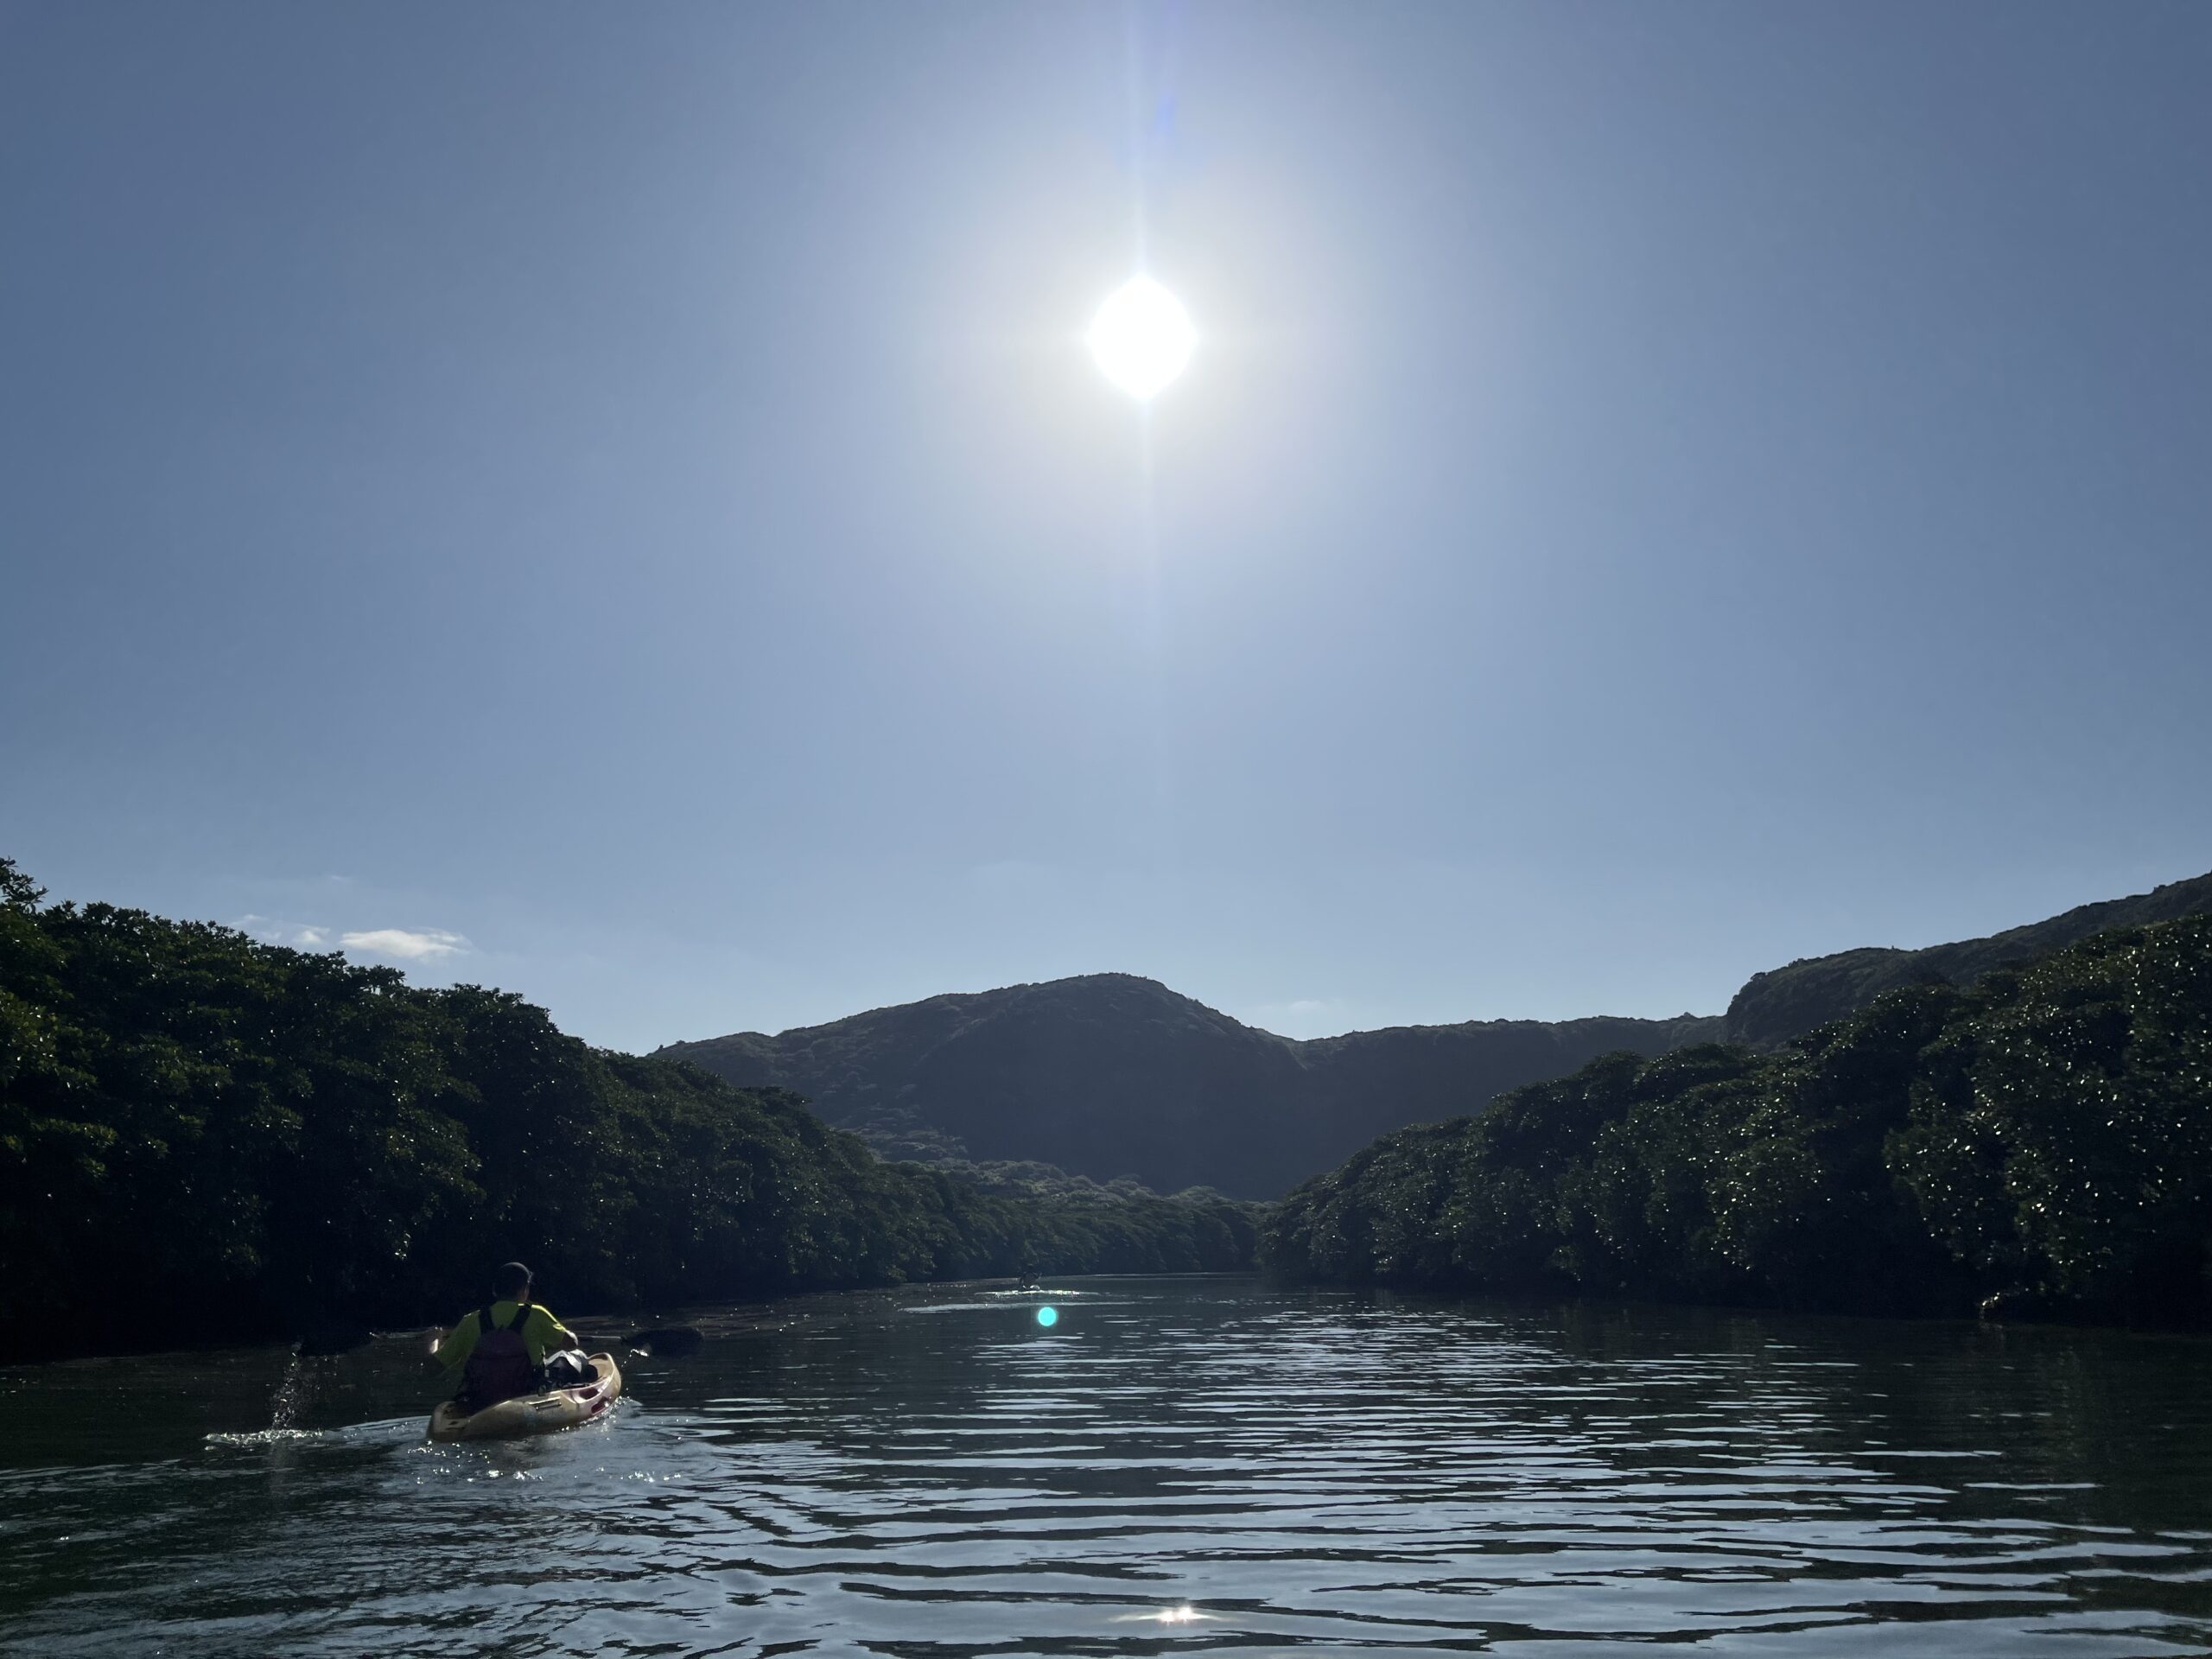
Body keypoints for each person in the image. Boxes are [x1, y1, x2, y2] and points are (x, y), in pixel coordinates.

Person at [431, 1262, 582, 1412]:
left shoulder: (470, 1321)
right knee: (575, 1356)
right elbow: (571, 1344)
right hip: (526, 1397)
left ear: (494, 1290)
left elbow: (433, 1367)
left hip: (479, 1402)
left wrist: (433, 1341)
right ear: (524, 1289)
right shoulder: (536, 1314)